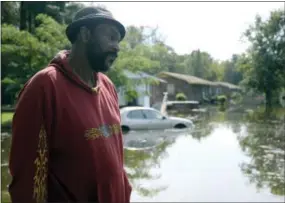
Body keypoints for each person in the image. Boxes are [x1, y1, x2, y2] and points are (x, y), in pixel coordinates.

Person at [9, 6, 132, 203]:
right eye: (110, 37)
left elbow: (116, 161)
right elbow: (29, 176)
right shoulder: (45, 86)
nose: (117, 47)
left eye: (118, 40)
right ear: (85, 34)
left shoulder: (107, 86)